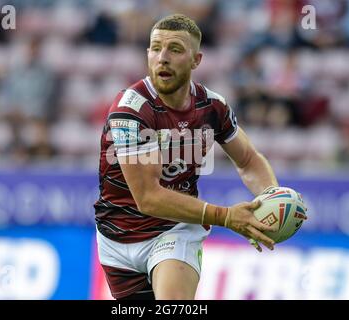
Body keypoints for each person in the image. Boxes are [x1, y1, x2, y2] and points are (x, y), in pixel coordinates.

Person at [94, 14, 279, 300]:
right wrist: (227, 217)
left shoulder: (213, 106)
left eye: (175, 49)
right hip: (115, 239)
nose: (163, 58)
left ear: (196, 60)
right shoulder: (130, 111)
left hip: (173, 230)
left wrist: (272, 197)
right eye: (156, 48)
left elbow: (249, 160)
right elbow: (148, 198)